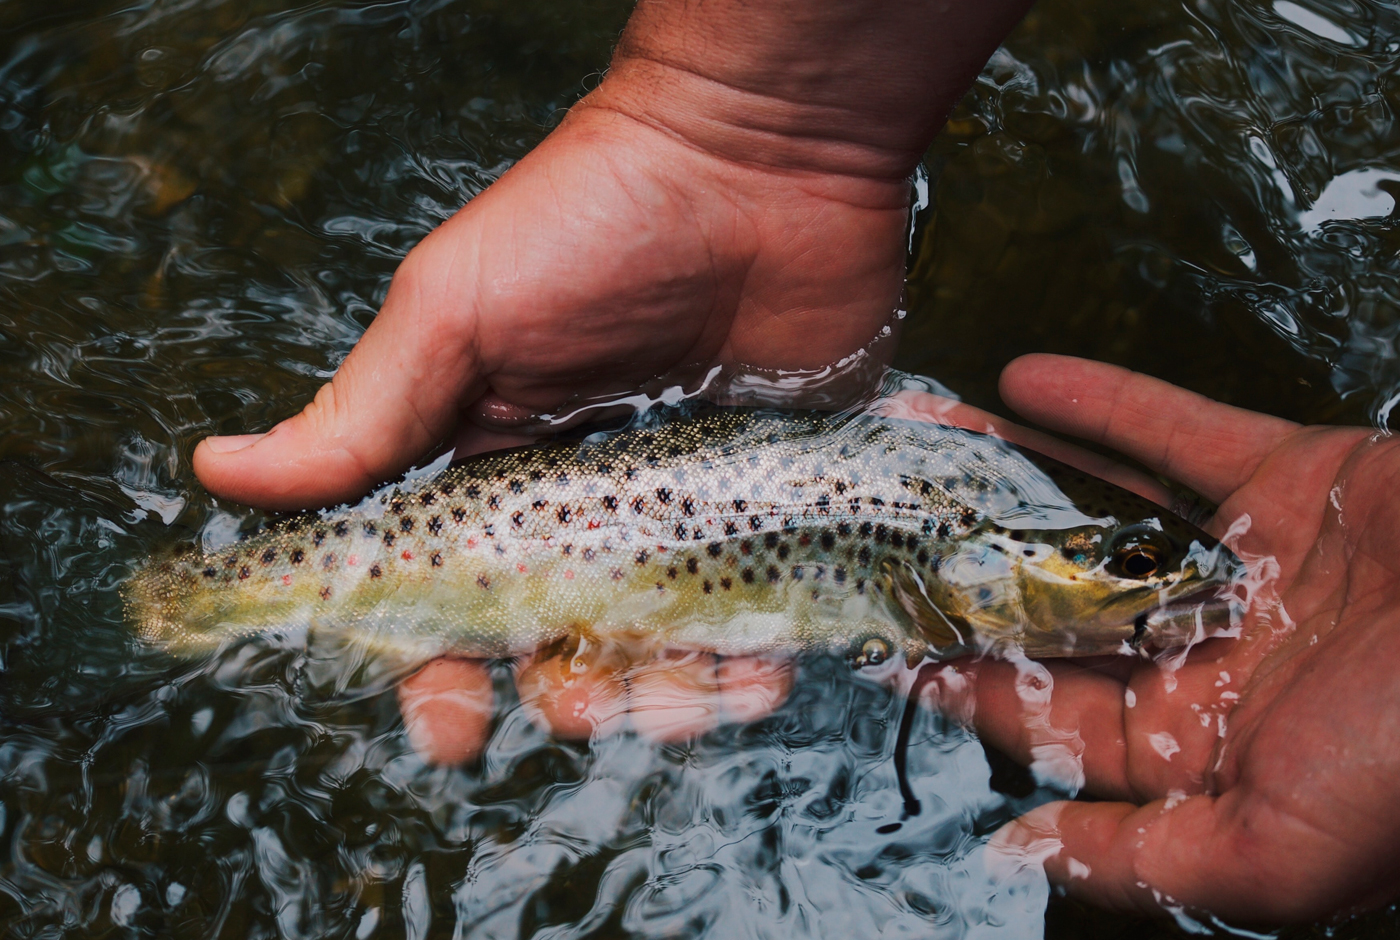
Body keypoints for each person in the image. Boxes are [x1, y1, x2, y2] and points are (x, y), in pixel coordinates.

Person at [188, 0, 1400, 925]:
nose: (1170, 583)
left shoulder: (943, 535)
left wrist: (735, 116)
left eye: (1136, 569)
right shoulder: (943, 539)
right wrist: (728, 125)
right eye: (1128, 564)